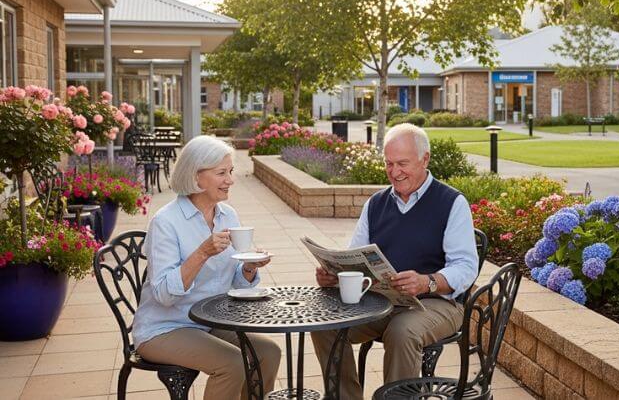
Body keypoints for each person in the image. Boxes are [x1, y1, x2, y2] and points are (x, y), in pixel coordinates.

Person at [311, 123, 478, 398]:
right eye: (389, 164)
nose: (394, 172)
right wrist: (336, 275)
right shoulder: (376, 203)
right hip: (380, 301)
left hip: (436, 303)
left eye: (403, 163)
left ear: (425, 159)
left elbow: (465, 267)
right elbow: (356, 255)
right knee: (324, 322)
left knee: (403, 332)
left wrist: (427, 282)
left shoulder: (451, 202)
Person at [131, 135, 281, 399]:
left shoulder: (227, 215)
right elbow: (164, 295)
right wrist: (202, 252)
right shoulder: (166, 222)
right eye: (221, 173)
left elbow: (235, 282)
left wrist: (248, 268)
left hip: (210, 320)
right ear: (195, 176)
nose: (231, 180)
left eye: (231, 171)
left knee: (268, 352)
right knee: (232, 363)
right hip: (165, 327)